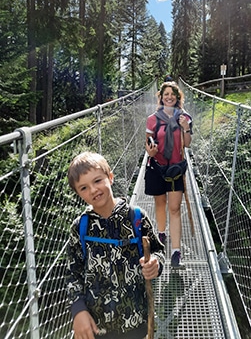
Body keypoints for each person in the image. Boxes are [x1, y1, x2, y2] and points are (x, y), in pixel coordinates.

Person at [66, 151, 165, 339]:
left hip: (137, 320)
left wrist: (156, 264)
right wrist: (78, 310)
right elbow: (73, 273)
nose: (93, 190)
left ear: (110, 177)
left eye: (97, 181)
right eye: (84, 188)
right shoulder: (81, 227)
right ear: (78, 193)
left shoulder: (136, 218)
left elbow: (157, 251)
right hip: (98, 325)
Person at [144, 81, 192, 269]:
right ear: (161, 97)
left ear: (178, 97)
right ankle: (161, 233)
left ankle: (176, 253)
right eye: (166, 94)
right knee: (160, 203)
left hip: (175, 169)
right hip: (157, 167)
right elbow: (147, 146)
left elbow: (187, 144)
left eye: (173, 94)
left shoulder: (184, 117)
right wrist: (151, 151)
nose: (169, 97)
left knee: (175, 209)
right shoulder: (152, 119)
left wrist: (185, 127)